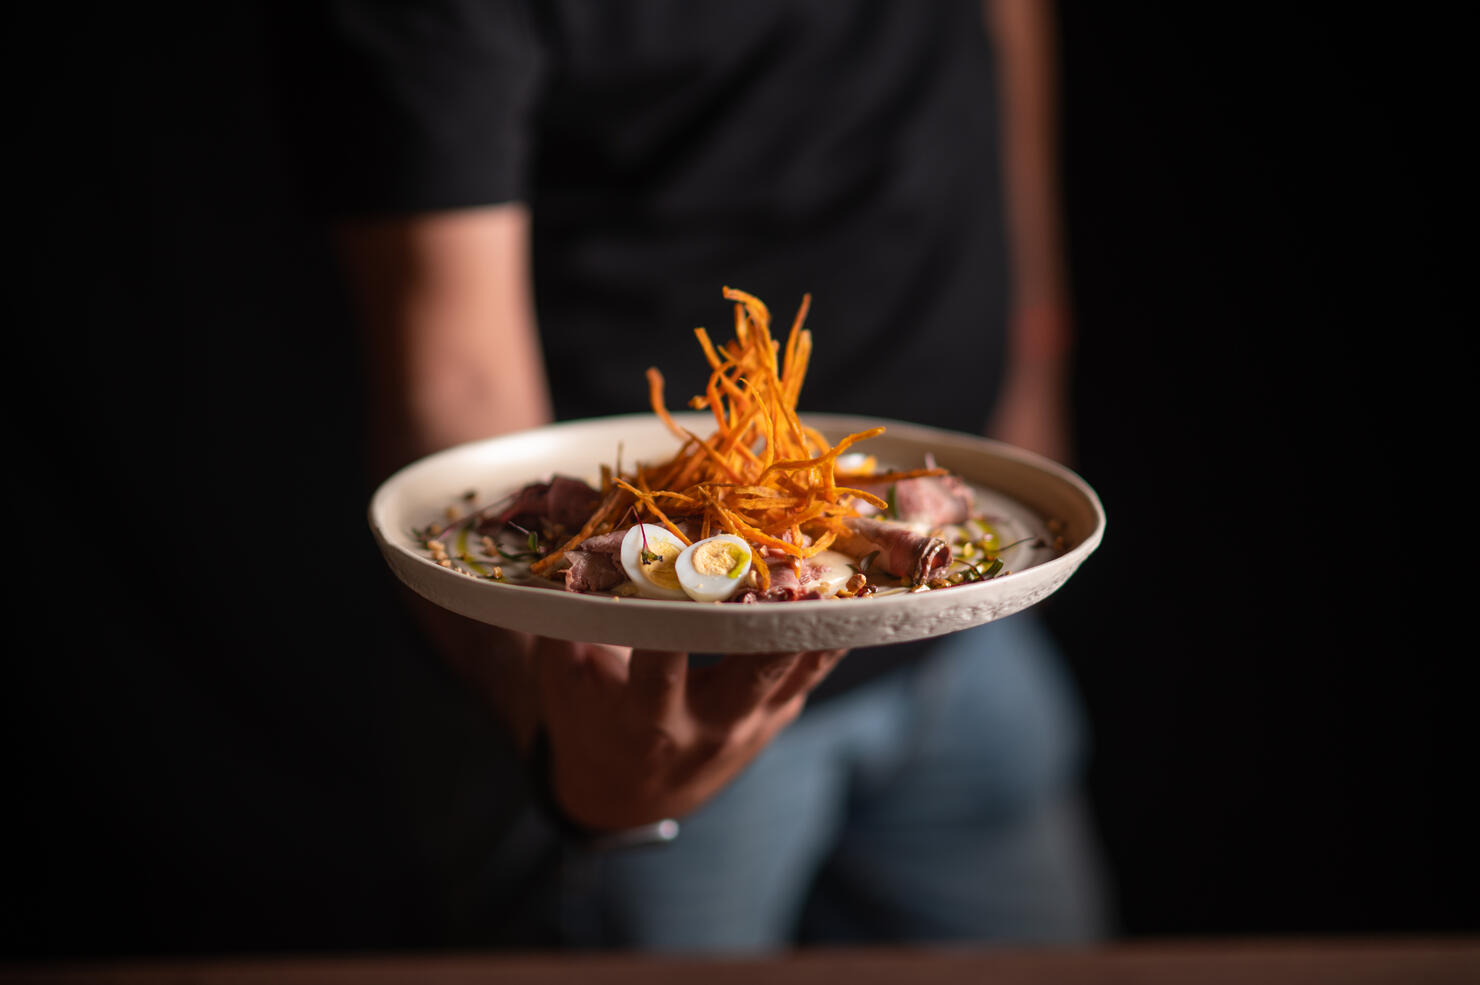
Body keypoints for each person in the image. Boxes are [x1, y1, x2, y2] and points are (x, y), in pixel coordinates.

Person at [284, 0, 1106, 950]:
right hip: (659, 696)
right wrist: (572, 745)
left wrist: (1036, 338)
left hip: (974, 611)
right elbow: (453, 369)